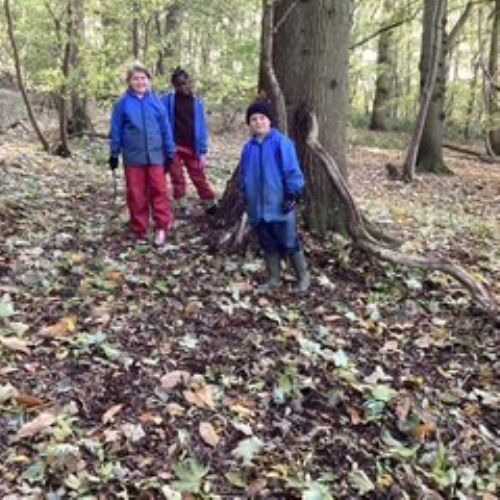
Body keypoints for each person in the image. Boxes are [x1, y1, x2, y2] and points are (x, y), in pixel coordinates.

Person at [239, 100, 310, 293]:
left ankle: (303, 277)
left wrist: (292, 194)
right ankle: (273, 278)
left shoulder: (281, 143)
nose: (258, 122)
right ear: (249, 123)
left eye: (262, 118)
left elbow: (292, 172)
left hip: (279, 204)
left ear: (270, 120)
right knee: (267, 243)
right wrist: (245, 194)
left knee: (289, 241)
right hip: (257, 207)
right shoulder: (248, 148)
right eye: (253, 119)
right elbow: (244, 175)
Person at [109, 63, 175, 246]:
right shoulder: (122, 104)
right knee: (136, 194)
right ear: (129, 82)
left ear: (149, 80)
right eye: (135, 79)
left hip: (156, 156)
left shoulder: (157, 103)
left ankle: (162, 227)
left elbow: (166, 129)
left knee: (159, 191)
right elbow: (116, 130)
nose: (140, 82)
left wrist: (170, 151)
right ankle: (140, 231)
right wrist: (114, 153)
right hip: (133, 157)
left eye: (143, 78)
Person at [161, 67, 217, 216]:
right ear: (174, 86)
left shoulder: (197, 103)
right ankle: (182, 205)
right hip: (174, 147)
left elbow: (202, 128)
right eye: (179, 84)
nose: (183, 87)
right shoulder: (167, 101)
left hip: (193, 147)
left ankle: (209, 203)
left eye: (185, 83)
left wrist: (203, 151)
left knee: (199, 176)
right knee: (177, 177)